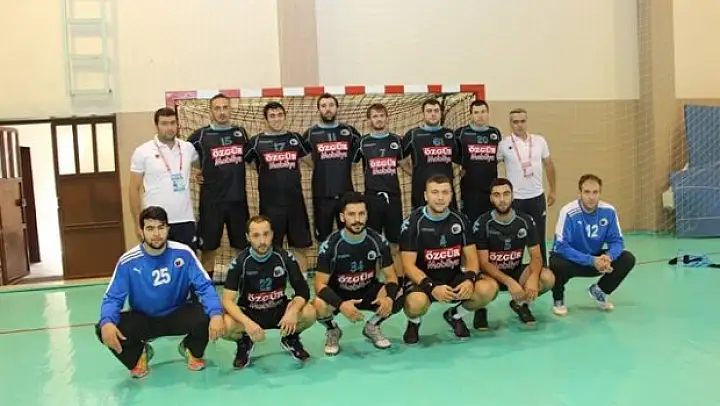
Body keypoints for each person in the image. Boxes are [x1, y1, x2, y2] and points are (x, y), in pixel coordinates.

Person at [96, 206, 224, 379]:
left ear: (168, 229)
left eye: (161, 227)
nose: (156, 234)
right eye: (150, 228)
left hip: (177, 313)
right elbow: (112, 298)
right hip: (144, 318)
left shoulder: (183, 253)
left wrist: (216, 313)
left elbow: (205, 286)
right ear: (141, 231)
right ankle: (139, 354)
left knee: (209, 314)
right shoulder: (128, 261)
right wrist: (107, 322)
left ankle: (190, 348)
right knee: (104, 328)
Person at [400, 174, 498, 344]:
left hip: (452, 278)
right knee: (415, 303)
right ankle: (413, 322)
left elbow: (472, 257)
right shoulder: (413, 223)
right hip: (423, 281)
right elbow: (408, 266)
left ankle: (455, 315)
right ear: (426, 196)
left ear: (451, 195)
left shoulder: (461, 220)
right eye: (435, 192)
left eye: (445, 192)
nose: (440, 198)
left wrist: (469, 279)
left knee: (489, 288)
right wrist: (432, 287)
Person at [312, 192, 403, 355]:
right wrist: (341, 305)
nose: (357, 220)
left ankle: (372, 326)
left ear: (367, 215)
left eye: (361, 214)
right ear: (342, 217)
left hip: (367, 291)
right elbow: (319, 285)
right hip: (340, 294)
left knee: (400, 294)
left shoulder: (377, 240)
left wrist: (388, 298)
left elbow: (391, 277)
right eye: (351, 214)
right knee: (318, 304)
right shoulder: (331, 245)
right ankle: (333, 330)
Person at [221, 215, 316, 369]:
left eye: (266, 234)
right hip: (251, 313)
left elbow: (303, 290)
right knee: (224, 325)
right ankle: (244, 342)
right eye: (256, 235)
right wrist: (247, 323)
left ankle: (291, 338)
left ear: (272, 234)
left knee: (310, 312)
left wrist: (293, 312)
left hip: (279, 311)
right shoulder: (240, 262)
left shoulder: (284, 257)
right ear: (248, 237)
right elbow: (227, 300)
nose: (262, 240)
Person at [549, 174, 636, 316]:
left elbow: (617, 241)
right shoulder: (568, 212)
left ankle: (599, 291)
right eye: (587, 192)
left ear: (600, 193)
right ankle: (558, 299)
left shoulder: (609, 211)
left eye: (595, 192)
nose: (591, 197)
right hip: (572, 260)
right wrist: (591, 260)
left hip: (595, 259)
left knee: (627, 258)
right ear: (579, 194)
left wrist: (608, 257)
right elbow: (561, 246)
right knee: (557, 263)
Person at [473, 178, 555, 325]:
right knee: (485, 290)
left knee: (547, 278)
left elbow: (536, 256)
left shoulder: (525, 220)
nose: (502, 200)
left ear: (513, 196)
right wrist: (509, 282)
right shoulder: (483, 223)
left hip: (516, 271)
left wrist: (533, 277)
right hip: (491, 275)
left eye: (506, 194)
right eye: (497, 195)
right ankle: (480, 308)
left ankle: (521, 304)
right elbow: (483, 263)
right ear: (491, 198)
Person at [246, 102, 313, 276]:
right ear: (266, 119)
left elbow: (311, 162)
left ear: (285, 116)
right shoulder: (256, 142)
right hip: (270, 205)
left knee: (300, 246)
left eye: (280, 115)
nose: (276, 119)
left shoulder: (296, 138)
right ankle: (273, 281)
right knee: (270, 246)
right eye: (272, 116)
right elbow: (251, 165)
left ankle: (302, 281)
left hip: (295, 203)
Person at [187, 93, 250, 280]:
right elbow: (185, 158)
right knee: (209, 249)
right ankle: (207, 287)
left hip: (238, 200)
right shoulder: (199, 136)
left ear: (230, 109)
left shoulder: (241, 133)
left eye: (225, 107)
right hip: (211, 203)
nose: (222, 112)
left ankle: (242, 284)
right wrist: (198, 171)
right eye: (217, 108)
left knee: (241, 246)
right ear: (210, 111)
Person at [128, 108, 198, 248]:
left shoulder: (188, 148)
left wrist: (201, 174)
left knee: (185, 260)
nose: (169, 128)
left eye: (173, 123)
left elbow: (201, 165)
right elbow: (133, 189)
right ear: (156, 126)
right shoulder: (143, 152)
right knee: (157, 260)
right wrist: (137, 223)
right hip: (156, 222)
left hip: (185, 220)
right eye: (164, 123)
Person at [497, 108, 557, 265]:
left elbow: (549, 165)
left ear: (527, 122)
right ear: (510, 123)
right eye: (515, 122)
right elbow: (490, 165)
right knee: (514, 237)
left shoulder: (539, 141)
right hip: (515, 199)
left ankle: (542, 269)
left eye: (522, 121)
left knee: (539, 236)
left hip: (537, 197)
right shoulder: (503, 144)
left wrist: (553, 190)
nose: (519, 125)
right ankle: (514, 269)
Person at [353, 103, 405, 271]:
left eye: (382, 115)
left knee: (395, 242)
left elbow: (404, 164)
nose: (379, 119)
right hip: (372, 197)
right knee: (372, 241)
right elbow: (350, 165)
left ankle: (399, 279)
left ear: (387, 117)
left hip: (393, 198)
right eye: (375, 116)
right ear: (369, 120)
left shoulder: (396, 140)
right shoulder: (362, 142)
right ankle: (373, 279)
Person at [302, 93, 361, 242]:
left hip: (346, 194)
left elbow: (355, 160)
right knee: (324, 239)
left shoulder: (351, 132)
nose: (328, 109)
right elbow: (304, 156)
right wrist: (321, 165)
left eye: (331, 105)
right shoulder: (310, 133)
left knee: (349, 235)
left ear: (337, 108)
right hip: (322, 194)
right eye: (323, 106)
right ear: (318, 110)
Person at [402, 98, 460, 209]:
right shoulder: (413, 135)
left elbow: (461, 159)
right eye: (429, 111)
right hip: (421, 190)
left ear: (441, 113)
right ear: (423, 114)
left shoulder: (450, 135)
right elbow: (401, 159)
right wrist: (414, 173)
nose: (433, 114)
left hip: (445, 191)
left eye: (436, 111)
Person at [454, 100, 503, 222]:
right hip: (470, 189)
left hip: (491, 188)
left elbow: (497, 157)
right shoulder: (461, 133)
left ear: (488, 113)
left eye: (483, 112)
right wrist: (462, 168)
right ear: (471, 115)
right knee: (470, 222)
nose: (480, 115)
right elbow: (453, 155)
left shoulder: (495, 133)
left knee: (490, 222)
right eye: (476, 112)